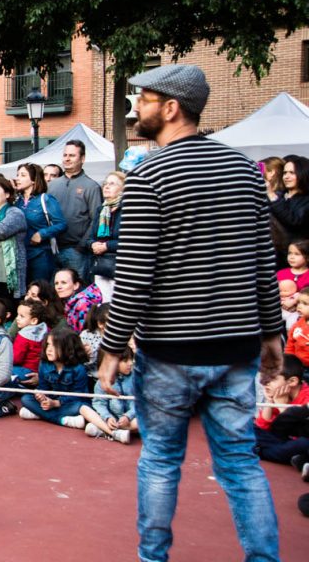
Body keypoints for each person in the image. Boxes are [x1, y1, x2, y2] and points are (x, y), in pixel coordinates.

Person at [97, 64, 282, 562]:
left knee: (159, 460)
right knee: (241, 464)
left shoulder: (149, 177)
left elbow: (134, 278)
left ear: (172, 107)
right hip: (237, 344)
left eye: (145, 98)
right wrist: (271, 334)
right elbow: (263, 261)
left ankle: (153, 557)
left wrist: (112, 349)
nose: (136, 107)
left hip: (172, 350)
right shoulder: (246, 171)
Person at [47, 141, 103, 282]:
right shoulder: (52, 185)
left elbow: (96, 219)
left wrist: (81, 246)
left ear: (82, 159)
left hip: (76, 251)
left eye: (72, 155)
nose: (67, 158)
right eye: (65, 155)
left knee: (78, 292)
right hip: (52, 249)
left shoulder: (91, 187)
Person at [18, 326, 89, 430]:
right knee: (26, 399)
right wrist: (41, 396)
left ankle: (40, 415)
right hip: (52, 400)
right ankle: (63, 420)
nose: (49, 350)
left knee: (81, 407)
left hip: (69, 403)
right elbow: (43, 387)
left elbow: (78, 395)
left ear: (67, 348)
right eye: (48, 345)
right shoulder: (44, 364)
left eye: (54, 346)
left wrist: (56, 403)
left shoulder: (78, 369)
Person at [13, 163, 66, 285]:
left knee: (40, 290)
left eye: (23, 175)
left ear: (33, 180)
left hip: (40, 255)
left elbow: (62, 224)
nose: (18, 178)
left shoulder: (45, 199)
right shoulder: (17, 201)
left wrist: (42, 234)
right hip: (20, 255)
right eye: (17, 175)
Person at [254, 355, 309, 466]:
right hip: (282, 441)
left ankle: (261, 452)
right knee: (252, 430)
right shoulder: (279, 395)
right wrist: (269, 402)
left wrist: (282, 406)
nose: (265, 383)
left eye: (272, 378)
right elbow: (263, 427)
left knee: (303, 444)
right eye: (264, 378)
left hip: (299, 440)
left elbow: (298, 431)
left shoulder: (306, 396)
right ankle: (262, 450)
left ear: (292, 381)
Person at [80, 349, 137, 444]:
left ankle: (104, 430)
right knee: (83, 409)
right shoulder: (102, 381)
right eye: (125, 360)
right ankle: (114, 433)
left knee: (146, 419)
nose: (130, 363)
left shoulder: (135, 378)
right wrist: (108, 417)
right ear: (112, 363)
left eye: (131, 359)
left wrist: (128, 416)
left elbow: (139, 403)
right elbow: (99, 403)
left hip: (130, 420)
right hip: (110, 419)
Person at [85, 171, 125, 298]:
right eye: (105, 184)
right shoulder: (101, 210)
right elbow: (90, 238)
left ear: (123, 189)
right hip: (101, 265)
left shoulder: (127, 209)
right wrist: (93, 245)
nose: (106, 187)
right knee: (103, 305)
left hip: (121, 266)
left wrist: (107, 246)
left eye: (112, 184)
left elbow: (130, 241)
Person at [270, 154, 309, 243]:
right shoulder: (279, 195)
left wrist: (273, 198)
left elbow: (294, 221)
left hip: (294, 252)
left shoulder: (306, 200)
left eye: (292, 173)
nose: (286, 177)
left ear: (302, 173)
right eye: (285, 173)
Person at [54, 268, 102, 332]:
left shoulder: (83, 304)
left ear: (76, 285)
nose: (59, 287)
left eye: (64, 283)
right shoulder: (69, 302)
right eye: (56, 283)